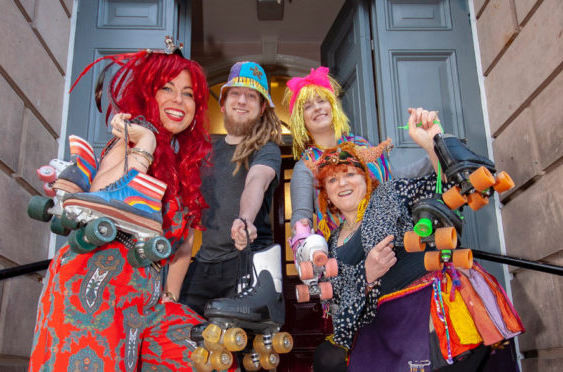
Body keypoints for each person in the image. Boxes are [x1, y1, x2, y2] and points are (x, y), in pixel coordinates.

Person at [29, 50, 215, 371]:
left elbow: (183, 245)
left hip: (143, 301)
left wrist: (169, 298)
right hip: (93, 284)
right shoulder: (133, 139)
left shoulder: (184, 169)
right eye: (167, 88)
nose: (179, 100)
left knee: (204, 356)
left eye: (188, 94)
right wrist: (144, 146)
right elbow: (102, 197)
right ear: (148, 93)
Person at [308, 109, 523, 371]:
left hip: (429, 311)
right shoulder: (330, 243)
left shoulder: (390, 193)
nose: (343, 184)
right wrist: (367, 273)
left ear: (365, 179)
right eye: (333, 179)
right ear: (326, 194)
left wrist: (431, 140)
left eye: (350, 174)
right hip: (383, 329)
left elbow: (446, 188)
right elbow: (336, 303)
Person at [179, 61, 283, 317]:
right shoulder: (203, 149)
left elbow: (256, 181)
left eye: (251, 96)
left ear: (261, 109)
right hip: (203, 264)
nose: (242, 100)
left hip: (247, 261)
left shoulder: (266, 149)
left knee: (240, 349)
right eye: (235, 93)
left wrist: (245, 220)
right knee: (181, 333)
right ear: (223, 104)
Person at [285, 66, 433, 240]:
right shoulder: (305, 166)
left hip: (392, 238)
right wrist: (303, 242)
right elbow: (301, 217)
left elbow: (390, 181)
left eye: (322, 100)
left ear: (332, 106)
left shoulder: (361, 144)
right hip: (346, 252)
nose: (317, 108)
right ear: (301, 120)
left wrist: (435, 150)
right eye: (308, 106)